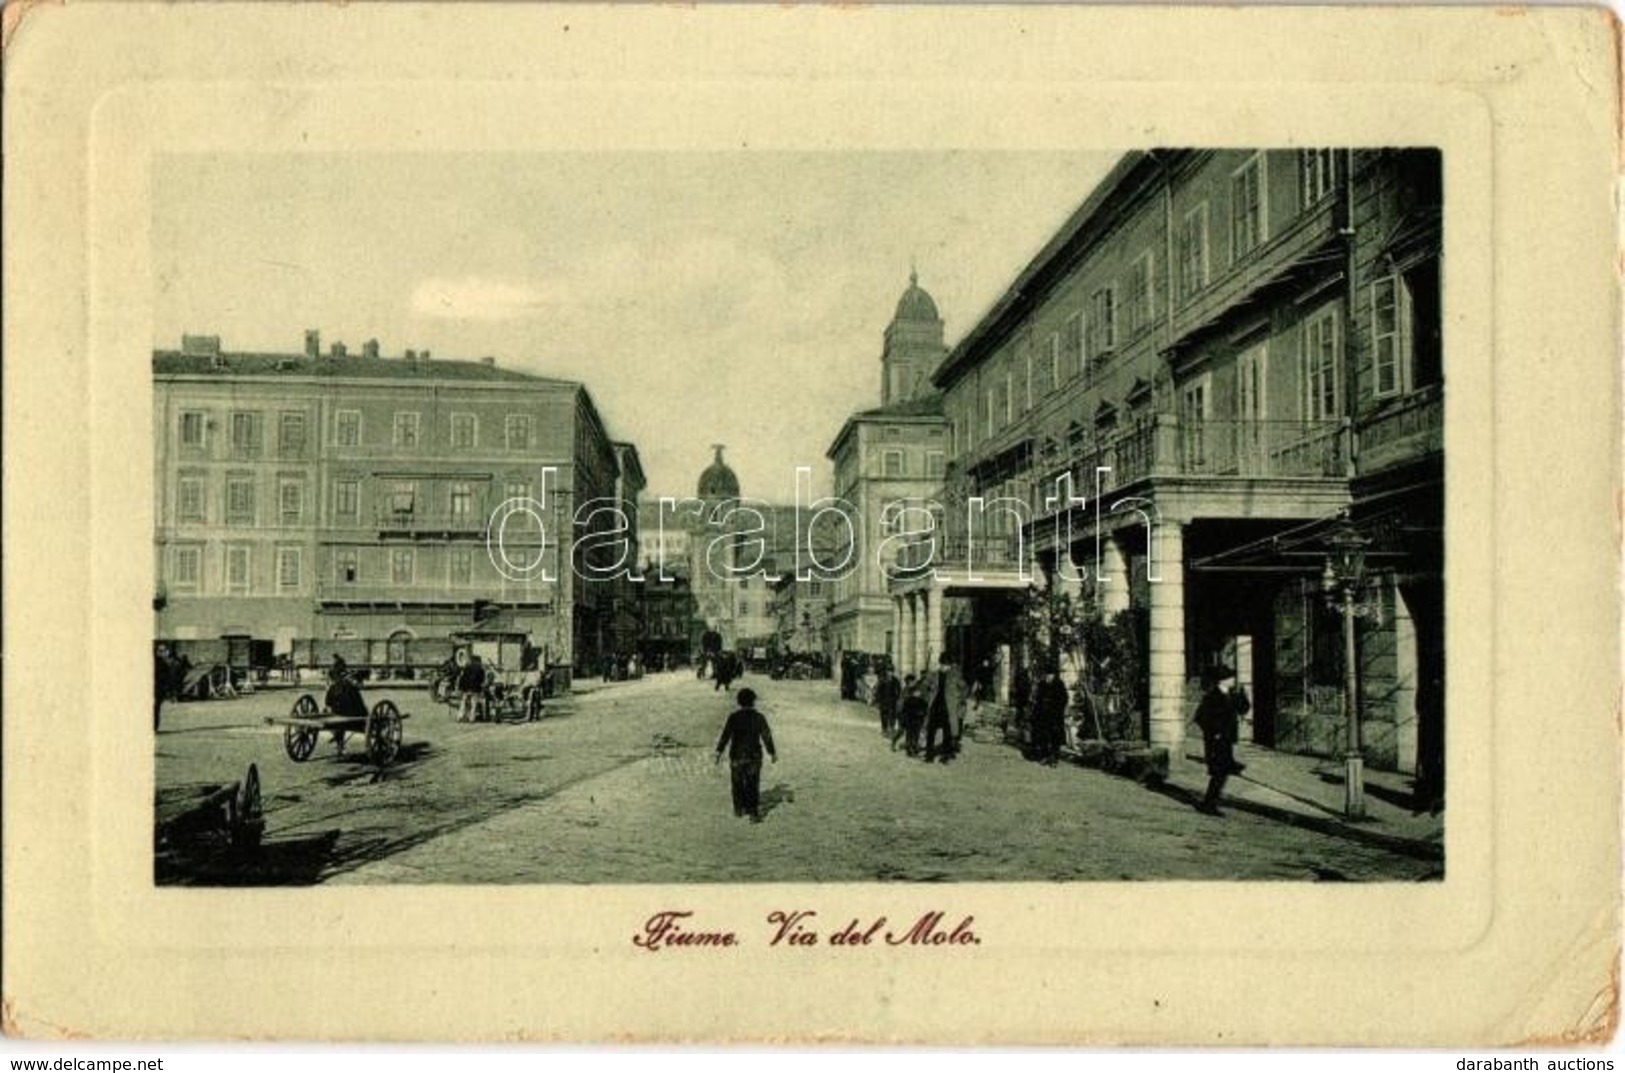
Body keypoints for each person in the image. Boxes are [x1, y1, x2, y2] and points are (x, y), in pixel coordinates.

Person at [714, 687, 777, 822]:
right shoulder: (759, 717)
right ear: (753, 701)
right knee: (753, 783)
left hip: (737, 755)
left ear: (739, 702)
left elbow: (725, 736)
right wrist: (772, 752)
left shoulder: (733, 717)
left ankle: (738, 809)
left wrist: (719, 752)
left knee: (737, 783)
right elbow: (766, 735)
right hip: (754, 756)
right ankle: (753, 812)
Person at [1194, 666, 1241, 815]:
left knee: (1223, 772)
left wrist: (1242, 696)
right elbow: (1200, 717)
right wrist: (1215, 732)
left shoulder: (1231, 694)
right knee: (1219, 773)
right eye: (1231, 677)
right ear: (1224, 681)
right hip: (1216, 741)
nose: (1234, 680)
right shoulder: (1212, 696)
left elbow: (1243, 709)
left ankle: (1210, 802)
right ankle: (1209, 804)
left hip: (1227, 741)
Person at [924, 654, 965, 764]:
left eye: (947, 665)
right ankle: (929, 755)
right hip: (935, 706)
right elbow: (925, 686)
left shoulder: (955, 675)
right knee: (930, 731)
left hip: (949, 708)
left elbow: (964, 689)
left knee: (947, 733)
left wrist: (959, 700)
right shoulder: (933, 675)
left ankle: (945, 756)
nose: (945, 667)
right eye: (943, 664)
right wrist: (929, 696)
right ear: (940, 663)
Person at [1031, 663, 1070, 766]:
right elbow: (1037, 699)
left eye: (1050, 675)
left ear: (1054, 675)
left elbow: (1064, 699)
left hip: (1055, 716)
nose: (1048, 677)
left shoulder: (1059, 684)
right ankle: (1044, 756)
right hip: (1043, 715)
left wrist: (1057, 707)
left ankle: (1054, 758)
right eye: (1047, 675)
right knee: (1043, 736)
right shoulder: (1042, 684)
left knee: (1055, 737)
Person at [894, 674, 927, 756]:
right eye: (912, 682)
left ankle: (913, 748)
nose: (914, 683)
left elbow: (923, 702)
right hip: (906, 716)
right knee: (902, 732)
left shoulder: (918, 689)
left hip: (916, 716)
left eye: (914, 681)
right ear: (908, 682)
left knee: (915, 733)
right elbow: (901, 704)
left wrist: (923, 713)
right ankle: (895, 742)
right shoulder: (905, 691)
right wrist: (900, 715)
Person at [457, 653, 488, 722]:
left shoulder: (466, 667)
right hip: (475, 688)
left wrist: (461, 688)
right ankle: (471, 718)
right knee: (473, 703)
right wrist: (482, 688)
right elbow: (482, 680)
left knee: (463, 702)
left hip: (466, 688)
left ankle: (460, 716)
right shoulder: (480, 669)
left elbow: (462, 678)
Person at [874, 665, 902, 739]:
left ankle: (891, 729)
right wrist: (878, 700)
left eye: (891, 671)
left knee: (892, 716)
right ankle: (884, 729)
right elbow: (878, 691)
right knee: (884, 716)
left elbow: (899, 691)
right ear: (886, 672)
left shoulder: (896, 681)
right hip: (884, 701)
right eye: (889, 671)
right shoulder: (883, 680)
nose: (890, 673)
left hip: (893, 702)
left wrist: (898, 699)